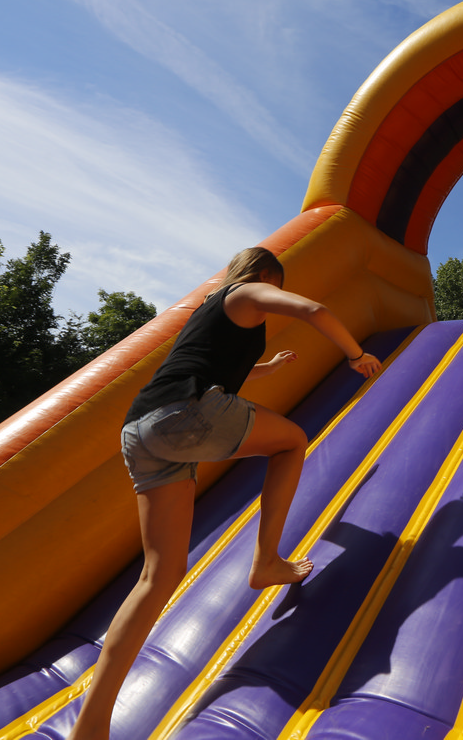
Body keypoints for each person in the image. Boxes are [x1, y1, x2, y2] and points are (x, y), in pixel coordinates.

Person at [68, 246, 380, 740]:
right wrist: (356, 354)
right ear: (262, 275)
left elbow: (211, 365)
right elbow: (314, 310)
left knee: (158, 575)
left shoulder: (209, 311)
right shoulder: (246, 291)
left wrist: (267, 367)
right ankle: (267, 560)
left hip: (141, 430)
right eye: (275, 285)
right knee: (292, 442)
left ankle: (91, 725)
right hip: (183, 414)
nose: (272, 297)